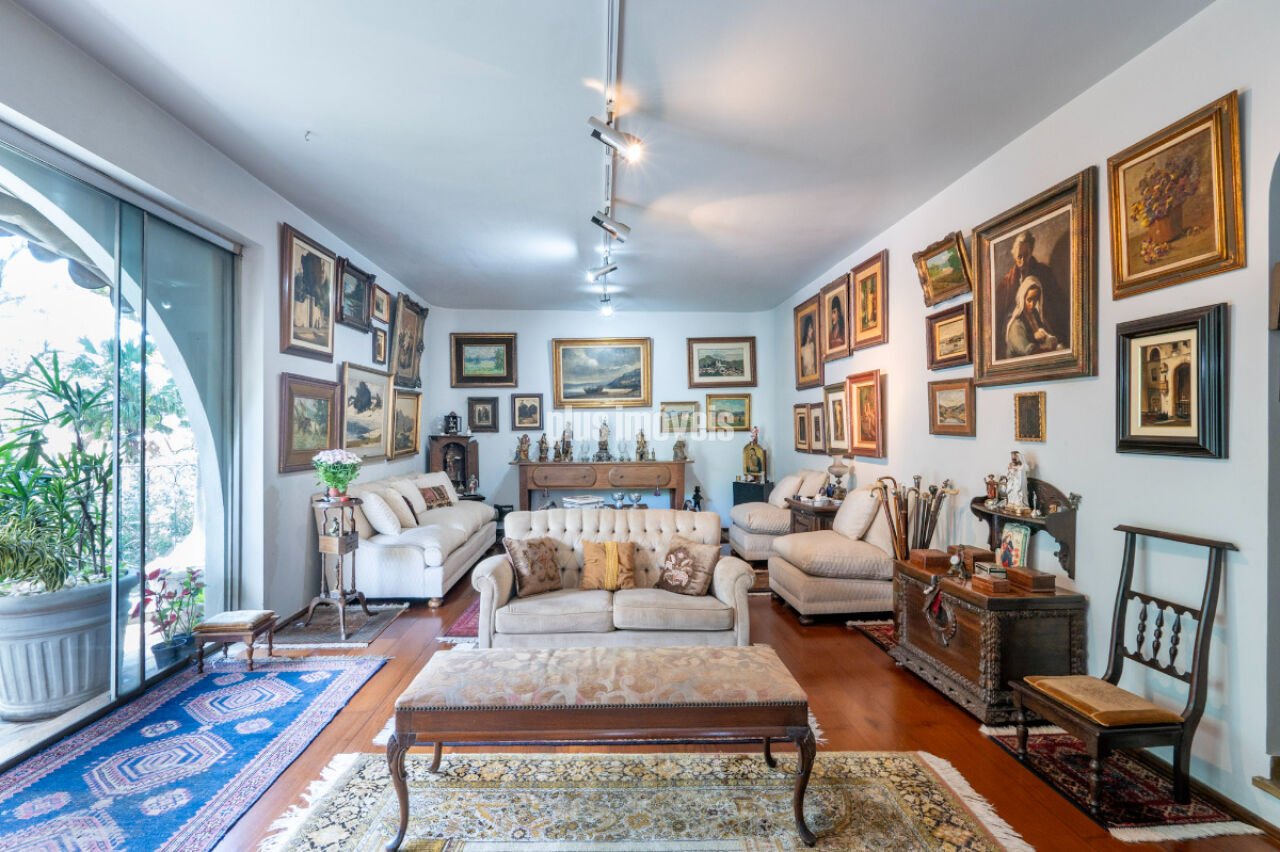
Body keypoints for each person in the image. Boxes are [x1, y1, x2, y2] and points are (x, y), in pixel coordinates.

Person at [997, 231, 1063, 352]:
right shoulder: (1006, 283)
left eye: (1026, 255)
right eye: (1019, 257)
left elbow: (1055, 308)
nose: (1022, 261)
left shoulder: (1044, 273)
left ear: (1031, 252)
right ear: (1014, 256)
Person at [1005, 276, 1063, 358]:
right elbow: (1028, 351)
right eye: (1029, 300)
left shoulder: (1035, 315)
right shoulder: (1016, 324)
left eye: (1035, 299)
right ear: (1022, 299)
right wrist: (1034, 337)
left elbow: (1047, 335)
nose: (1032, 304)